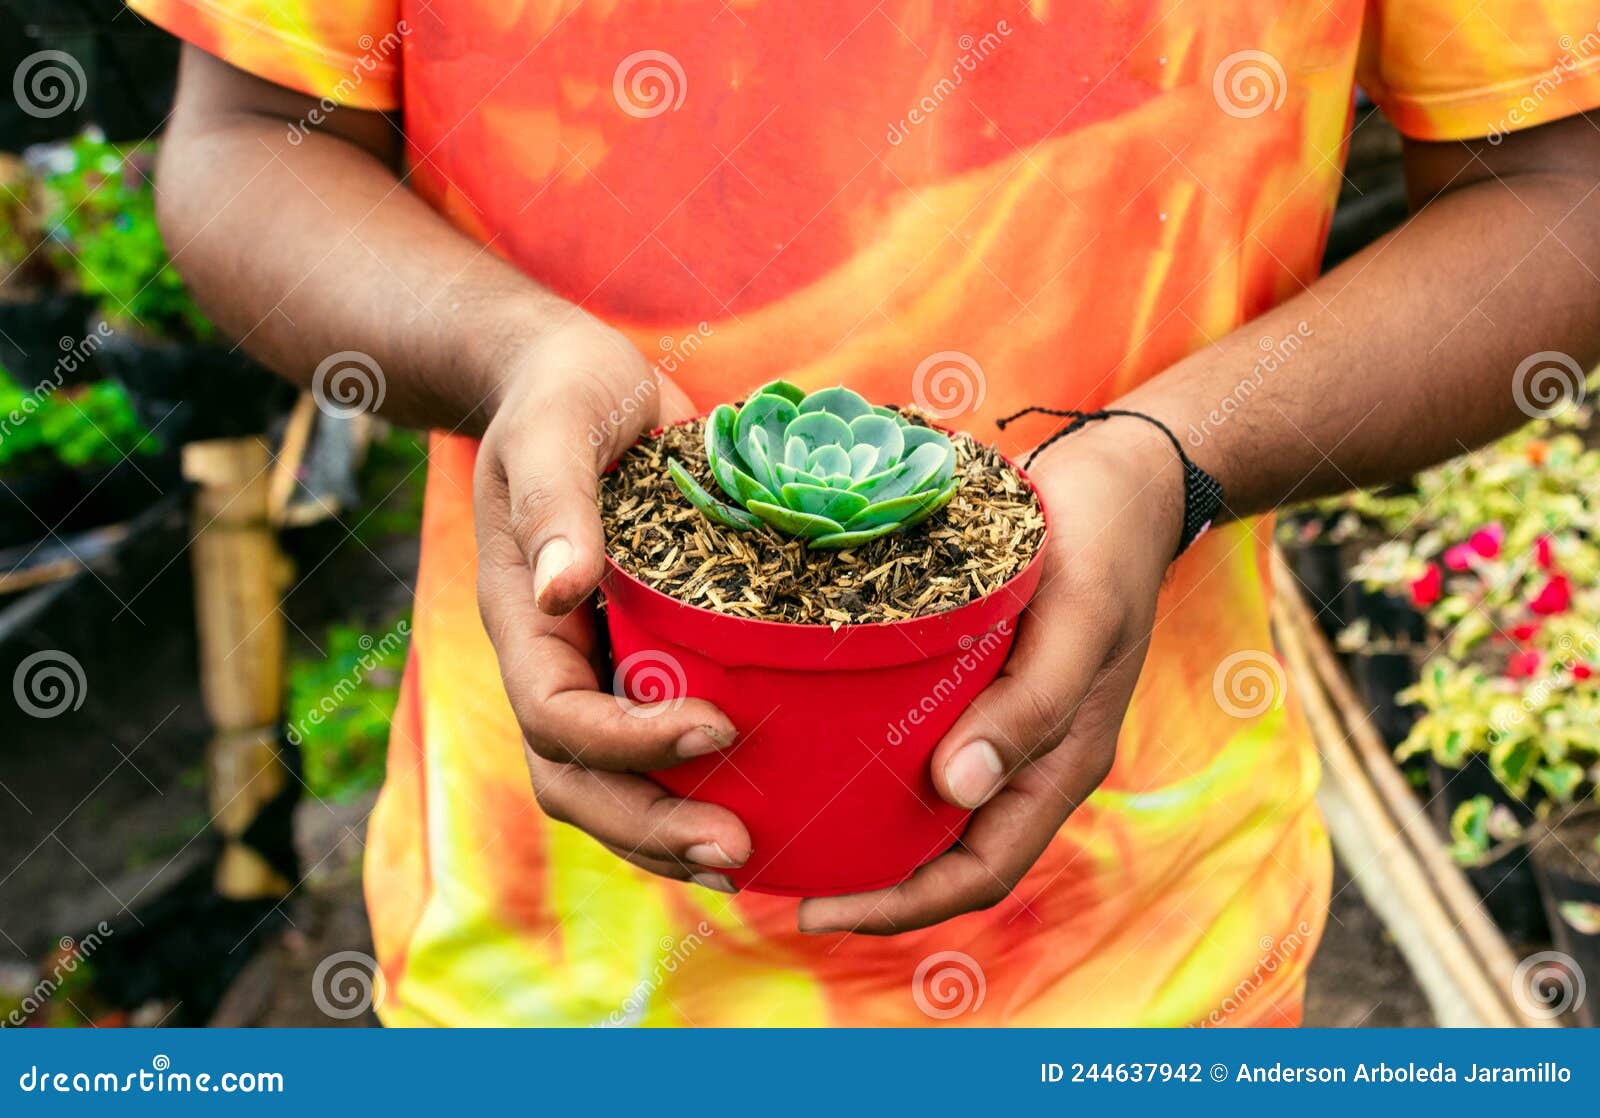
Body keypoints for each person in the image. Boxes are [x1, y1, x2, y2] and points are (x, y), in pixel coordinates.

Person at [133, 0, 1600, 1026]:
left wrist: (1174, 458)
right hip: (545, 978)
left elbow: (1555, 184)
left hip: (1144, 963)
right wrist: (518, 352)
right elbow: (252, 137)